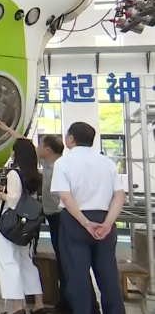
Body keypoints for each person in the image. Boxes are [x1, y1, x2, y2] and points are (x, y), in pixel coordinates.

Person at [0, 120, 100, 314]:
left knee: (14, 262)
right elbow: (26, 144)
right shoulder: (38, 170)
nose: (38, 147)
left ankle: (20, 307)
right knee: (33, 261)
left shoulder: (57, 167)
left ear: (48, 149)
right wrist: (8, 130)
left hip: (51, 218)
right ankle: (45, 303)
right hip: (37, 220)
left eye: (41, 144)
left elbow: (13, 200)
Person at [51, 122, 126, 314]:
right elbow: (119, 195)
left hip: (76, 221)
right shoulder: (107, 162)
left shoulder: (63, 163)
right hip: (104, 221)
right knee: (108, 275)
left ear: (71, 139)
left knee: (78, 277)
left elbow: (65, 197)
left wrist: (85, 223)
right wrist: (108, 223)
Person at [0, 138, 47, 314]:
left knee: (8, 262)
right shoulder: (35, 175)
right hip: (28, 225)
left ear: (15, 153)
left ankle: (17, 307)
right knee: (27, 262)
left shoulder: (14, 173)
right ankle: (39, 304)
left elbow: (13, 201)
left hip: (11, 225)